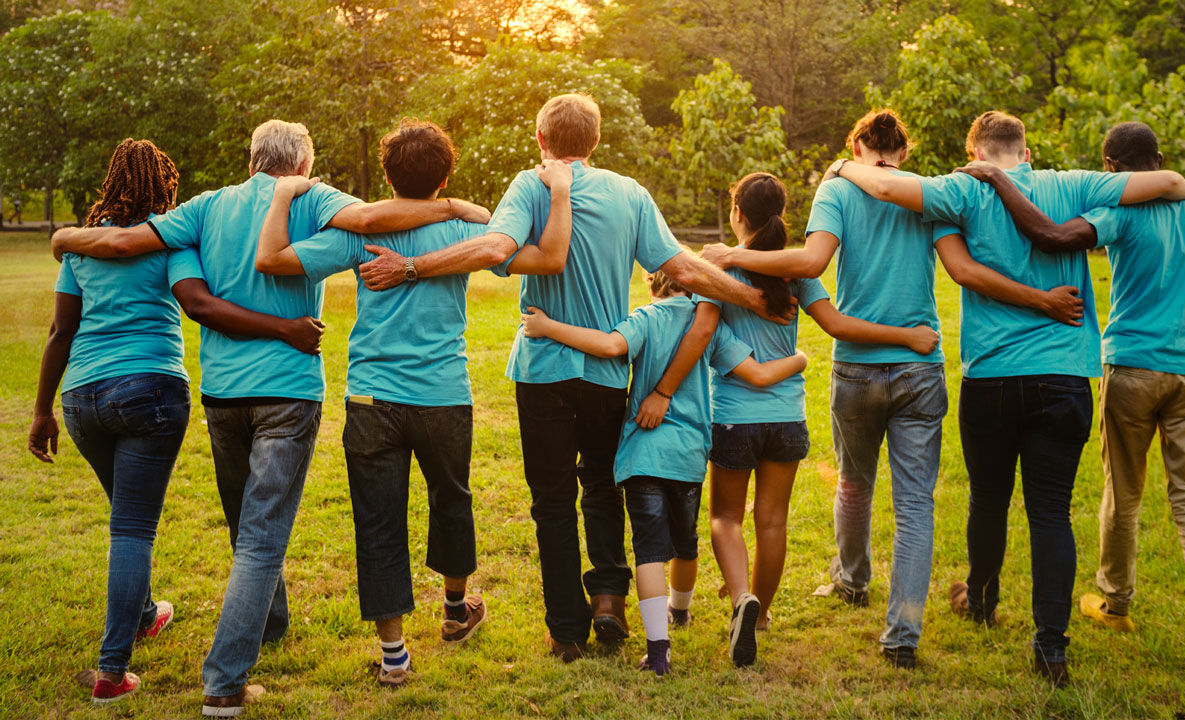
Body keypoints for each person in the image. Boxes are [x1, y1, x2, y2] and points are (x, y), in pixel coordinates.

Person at [50, 119, 488, 717]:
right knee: (261, 539)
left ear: (253, 158)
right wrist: (454, 206)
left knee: (244, 527)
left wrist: (65, 238)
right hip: (288, 387)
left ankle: (272, 622)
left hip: (222, 392)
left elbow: (126, 247)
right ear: (302, 165)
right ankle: (224, 683)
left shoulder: (204, 208)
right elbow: (372, 221)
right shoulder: (314, 197)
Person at [355, 94, 787, 661]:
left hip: (543, 369)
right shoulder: (629, 193)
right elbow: (680, 268)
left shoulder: (532, 185)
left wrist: (410, 266)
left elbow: (493, 247)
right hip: (607, 368)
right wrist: (753, 299)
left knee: (552, 501)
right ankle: (608, 596)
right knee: (603, 487)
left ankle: (566, 629)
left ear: (541, 140)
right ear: (596, 142)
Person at [697, 113, 1086, 669]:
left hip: (855, 367)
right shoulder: (925, 195)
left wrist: (731, 256)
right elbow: (959, 268)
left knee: (854, 484)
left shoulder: (837, 190)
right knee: (914, 505)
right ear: (903, 152)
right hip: (919, 368)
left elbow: (811, 263)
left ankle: (853, 579)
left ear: (855, 146)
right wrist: (1041, 298)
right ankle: (902, 633)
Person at [828, 110, 1185, 687]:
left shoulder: (963, 190)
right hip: (1065, 377)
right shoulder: (1074, 184)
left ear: (975, 153)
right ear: (1025, 153)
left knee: (988, 498)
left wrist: (843, 165)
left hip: (992, 376)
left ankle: (979, 598)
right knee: (1050, 511)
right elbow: (1173, 183)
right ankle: (1050, 647)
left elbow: (885, 188)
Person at [253, 118, 576, 686]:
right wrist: (473, 209)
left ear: (385, 174)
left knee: (378, 520)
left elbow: (275, 259)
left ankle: (395, 654)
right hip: (443, 394)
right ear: (446, 173)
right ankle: (455, 611)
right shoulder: (465, 234)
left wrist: (282, 202)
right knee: (452, 500)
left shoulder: (361, 233)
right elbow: (531, 251)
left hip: (372, 397)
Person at [27, 138, 326, 706]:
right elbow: (197, 302)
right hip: (150, 392)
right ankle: (112, 670)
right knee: (133, 528)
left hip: (83, 398)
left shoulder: (84, 247)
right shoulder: (174, 235)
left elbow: (60, 331)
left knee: (126, 518)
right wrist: (285, 327)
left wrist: (42, 410)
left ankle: (144, 614)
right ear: (163, 184)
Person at [955, 121, 1185, 686]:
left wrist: (993, 176)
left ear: (1111, 168)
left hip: (1132, 366)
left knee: (1124, 491)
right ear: (1158, 160)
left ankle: (1115, 603)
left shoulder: (1121, 214)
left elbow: (1053, 236)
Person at [656, 170, 935, 667]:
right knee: (773, 521)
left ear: (737, 213)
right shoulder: (795, 272)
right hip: (786, 417)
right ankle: (759, 618)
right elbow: (836, 324)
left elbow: (701, 331)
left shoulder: (721, 267)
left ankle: (741, 597)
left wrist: (663, 390)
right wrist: (908, 336)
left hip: (735, 418)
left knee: (724, 517)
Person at [520, 268, 807, 675]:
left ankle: (659, 653)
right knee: (684, 545)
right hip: (688, 458)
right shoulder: (709, 326)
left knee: (650, 552)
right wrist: (800, 358)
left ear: (653, 285)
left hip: (642, 456)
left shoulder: (646, 318)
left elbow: (607, 345)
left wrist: (548, 325)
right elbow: (758, 374)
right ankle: (681, 610)